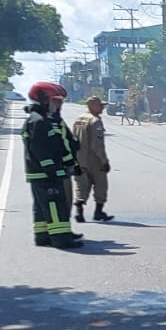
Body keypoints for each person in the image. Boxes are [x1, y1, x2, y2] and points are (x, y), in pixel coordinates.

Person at [21, 82, 83, 249]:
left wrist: (72, 164)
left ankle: (43, 236)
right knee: (55, 205)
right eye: (57, 100)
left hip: (41, 173)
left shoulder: (44, 120)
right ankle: (61, 239)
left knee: (42, 208)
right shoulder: (40, 122)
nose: (60, 104)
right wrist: (53, 171)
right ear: (45, 100)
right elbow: (42, 151)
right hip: (46, 173)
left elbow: (60, 145)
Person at [71, 96, 115, 223]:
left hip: (80, 158)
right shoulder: (96, 121)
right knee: (101, 184)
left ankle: (79, 212)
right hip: (94, 159)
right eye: (100, 105)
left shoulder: (79, 119)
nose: (102, 108)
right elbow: (97, 145)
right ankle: (98, 212)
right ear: (93, 106)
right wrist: (104, 161)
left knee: (81, 184)